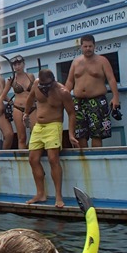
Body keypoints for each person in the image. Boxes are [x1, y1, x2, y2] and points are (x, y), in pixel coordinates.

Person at [24, 69, 79, 207]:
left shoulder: (62, 92)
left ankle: (58, 196)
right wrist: (25, 113)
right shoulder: (36, 84)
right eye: (42, 85)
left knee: (53, 158)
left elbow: (72, 113)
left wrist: (71, 134)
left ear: (53, 81)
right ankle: (40, 194)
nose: (44, 88)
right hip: (38, 126)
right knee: (33, 159)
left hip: (54, 125)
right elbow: (30, 98)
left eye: (46, 85)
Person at [64, 35, 120, 148]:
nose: (88, 48)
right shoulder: (76, 62)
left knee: (97, 134)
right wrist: (63, 97)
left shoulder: (102, 61)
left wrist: (115, 97)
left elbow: (111, 79)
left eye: (90, 46)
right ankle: (84, 161)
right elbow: (70, 82)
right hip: (78, 102)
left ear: (94, 46)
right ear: (81, 47)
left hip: (97, 101)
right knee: (80, 134)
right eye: (85, 46)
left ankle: (96, 161)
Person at [0, 55, 36, 149]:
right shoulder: (11, 80)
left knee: (35, 135)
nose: (17, 67)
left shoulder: (31, 76)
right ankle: (22, 159)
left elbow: (37, 92)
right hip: (18, 108)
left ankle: (31, 154)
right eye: (15, 65)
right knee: (22, 137)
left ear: (23, 64)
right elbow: (2, 96)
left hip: (32, 108)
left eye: (19, 64)